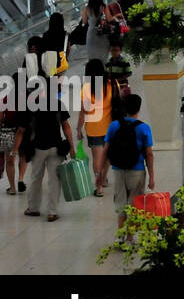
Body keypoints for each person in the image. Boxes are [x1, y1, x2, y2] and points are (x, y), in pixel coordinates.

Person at [20, 80, 75, 221]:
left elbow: (22, 129)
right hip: (56, 148)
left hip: (38, 148)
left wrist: (17, 150)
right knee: (54, 180)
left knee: (35, 178)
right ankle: (52, 212)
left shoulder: (30, 106)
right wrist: (71, 146)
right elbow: (66, 126)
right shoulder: (57, 104)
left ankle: (33, 208)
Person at [105, 93, 154, 229]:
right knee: (135, 206)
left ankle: (120, 237)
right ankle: (130, 239)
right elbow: (149, 154)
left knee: (121, 205)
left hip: (118, 170)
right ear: (138, 108)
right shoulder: (144, 128)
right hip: (137, 170)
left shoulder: (114, 126)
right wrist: (151, 177)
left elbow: (106, 151)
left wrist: (100, 176)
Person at [76, 60, 113, 197]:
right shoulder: (112, 84)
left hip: (93, 128)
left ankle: (99, 187)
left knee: (97, 158)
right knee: (108, 156)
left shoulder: (87, 88)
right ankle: (103, 179)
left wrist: (78, 129)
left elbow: (83, 112)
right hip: (111, 127)